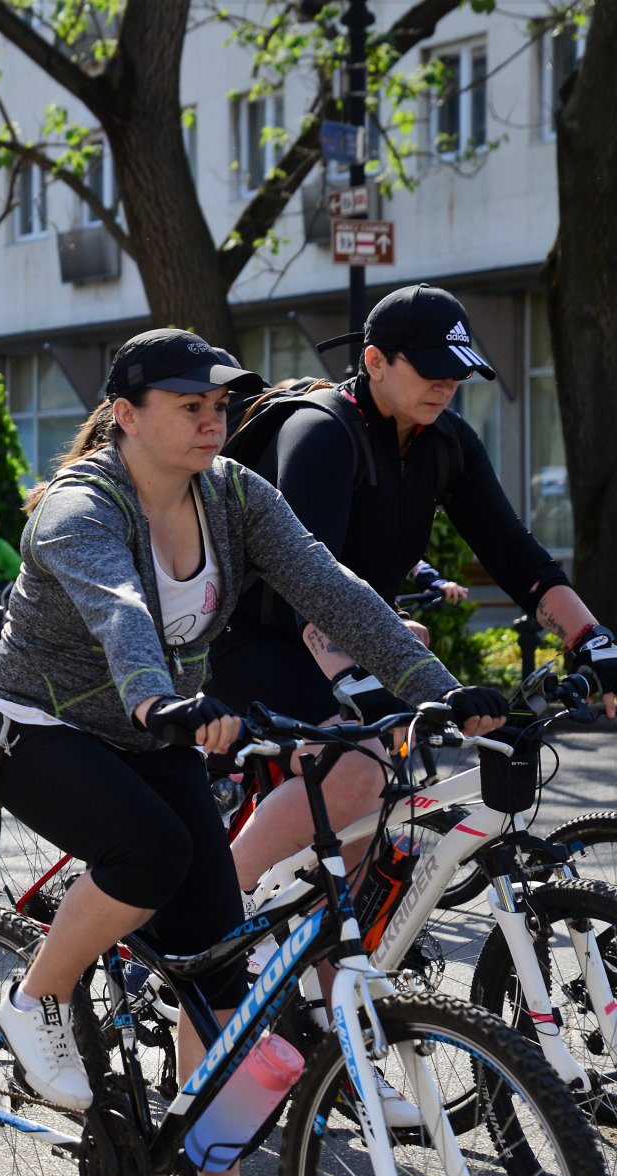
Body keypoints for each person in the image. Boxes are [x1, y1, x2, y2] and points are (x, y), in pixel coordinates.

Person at [0, 329, 509, 1176]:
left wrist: (431, 684)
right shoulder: (78, 506)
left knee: (222, 980)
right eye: (191, 406)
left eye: (221, 405)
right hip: (39, 727)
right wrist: (155, 694)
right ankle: (37, 993)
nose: (214, 421)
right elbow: (118, 608)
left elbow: (329, 587)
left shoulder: (230, 493)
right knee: (152, 854)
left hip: (159, 731)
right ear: (128, 415)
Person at [210, 285, 617, 898]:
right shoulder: (321, 433)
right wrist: (363, 686)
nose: (447, 384)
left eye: (458, 371)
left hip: (348, 638)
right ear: (374, 361)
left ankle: (328, 986)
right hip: (252, 639)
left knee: (360, 852)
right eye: (431, 370)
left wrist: (594, 641)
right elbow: (306, 584)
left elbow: (513, 555)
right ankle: (206, 914)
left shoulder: (447, 441)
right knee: (359, 769)